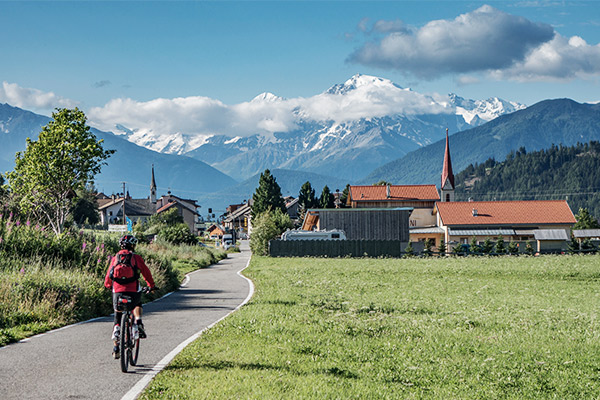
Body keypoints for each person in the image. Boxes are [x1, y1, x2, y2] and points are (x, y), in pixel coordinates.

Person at [104, 234, 156, 359]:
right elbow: (146, 273)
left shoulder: (115, 258)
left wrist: (108, 285)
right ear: (133, 245)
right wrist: (151, 285)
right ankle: (138, 322)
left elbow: (108, 275)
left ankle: (116, 346)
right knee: (137, 304)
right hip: (133, 289)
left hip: (117, 290)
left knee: (118, 315)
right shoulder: (136, 258)